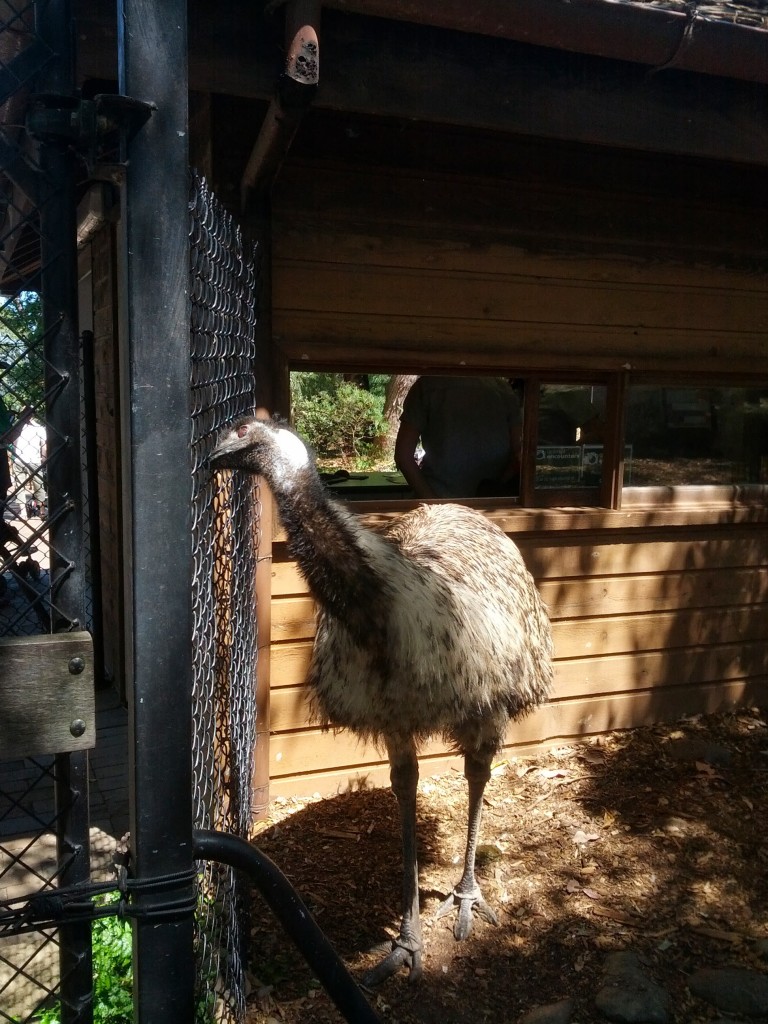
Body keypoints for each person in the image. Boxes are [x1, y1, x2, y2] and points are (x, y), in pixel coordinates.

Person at [394, 376, 522, 499]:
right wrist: (497, 491)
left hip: (441, 499)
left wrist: (433, 504)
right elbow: (519, 454)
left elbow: (403, 456)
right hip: (493, 504)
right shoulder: (503, 390)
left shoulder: (427, 386)